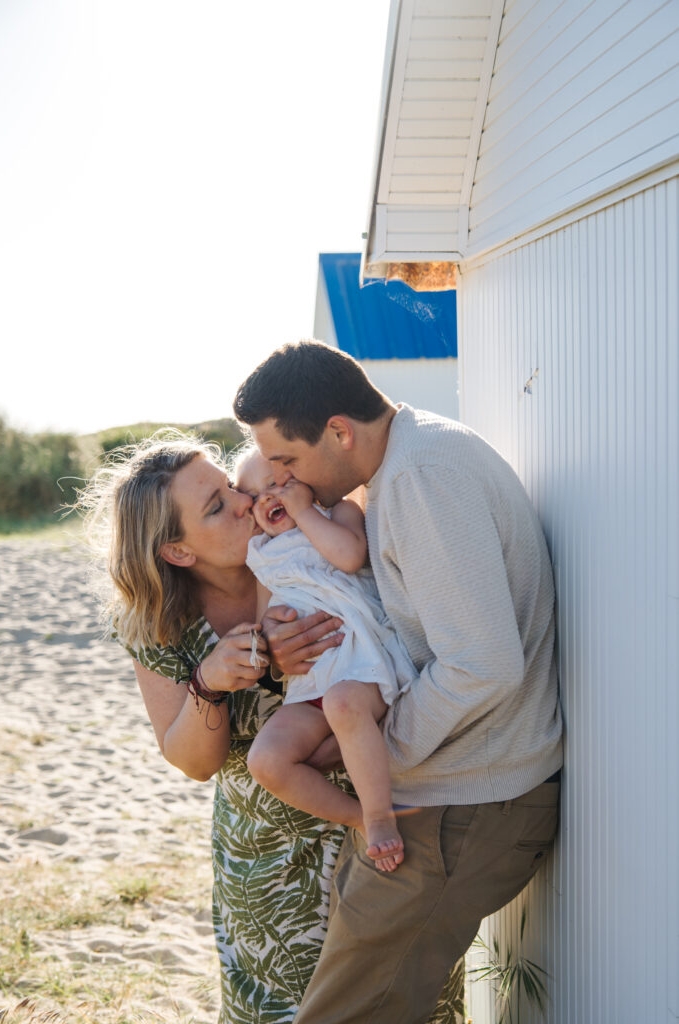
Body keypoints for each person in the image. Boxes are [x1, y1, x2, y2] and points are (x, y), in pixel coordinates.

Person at [79, 429, 463, 1024]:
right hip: (267, 854)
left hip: (386, 818)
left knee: (407, 1002)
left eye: (230, 486)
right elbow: (193, 762)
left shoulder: (308, 542)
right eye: (216, 507)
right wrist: (212, 680)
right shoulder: (157, 624)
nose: (242, 501)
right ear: (179, 551)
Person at [234, 339, 564, 1024]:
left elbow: (482, 664)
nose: (282, 480)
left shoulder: (419, 478)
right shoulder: (410, 460)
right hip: (451, 797)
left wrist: (377, 748)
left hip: (464, 807)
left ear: (339, 431)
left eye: (287, 460)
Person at [236, 447, 416, 872]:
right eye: (253, 495)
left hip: (363, 666)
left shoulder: (339, 512)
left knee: (343, 704)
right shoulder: (263, 556)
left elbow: (350, 556)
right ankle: (358, 819)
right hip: (311, 682)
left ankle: (380, 815)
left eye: (279, 484)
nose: (266, 498)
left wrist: (306, 513)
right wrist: (273, 636)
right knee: (265, 760)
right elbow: (267, 625)